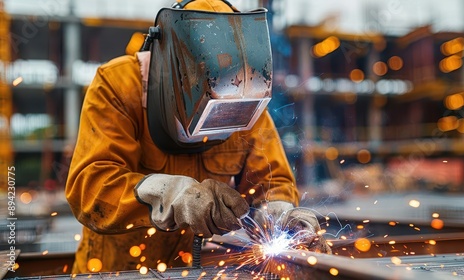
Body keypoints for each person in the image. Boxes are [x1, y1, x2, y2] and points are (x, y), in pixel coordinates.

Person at [65, 0, 330, 274]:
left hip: (186, 271)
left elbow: (272, 182)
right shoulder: (118, 86)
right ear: (174, 75)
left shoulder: (246, 95)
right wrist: (174, 196)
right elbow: (91, 189)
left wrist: (281, 214)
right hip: (114, 272)